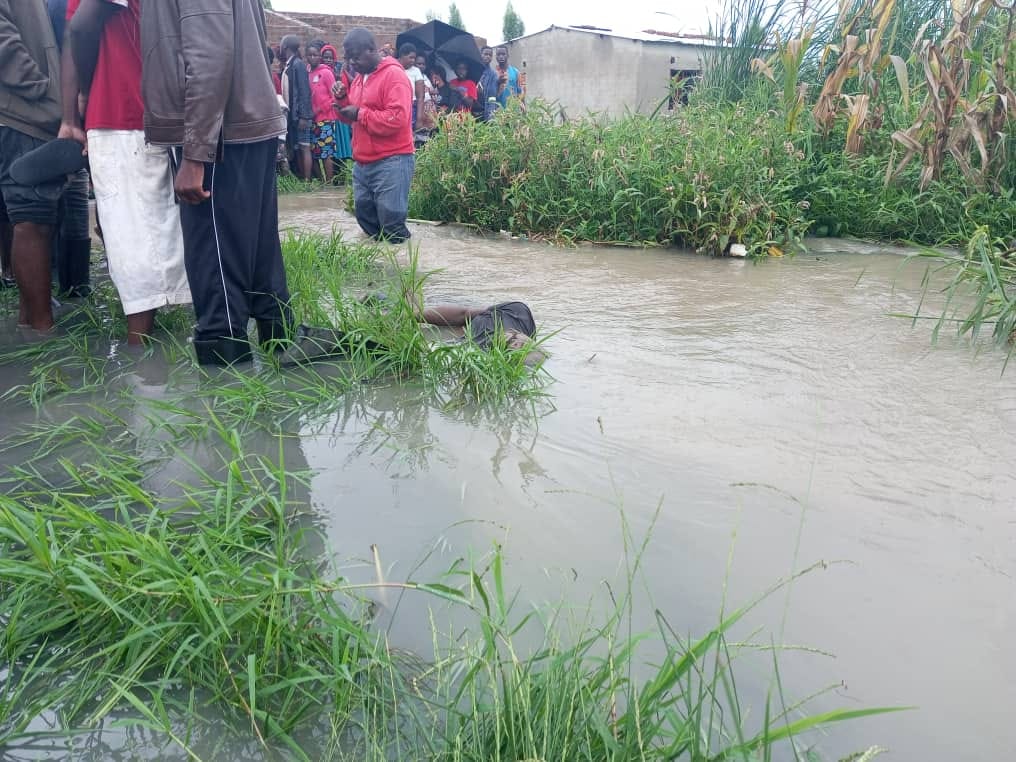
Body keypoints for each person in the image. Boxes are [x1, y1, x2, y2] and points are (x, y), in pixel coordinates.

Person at [141, 0, 323, 366]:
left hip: (219, 132)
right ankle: (280, 344)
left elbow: (208, 54)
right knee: (258, 249)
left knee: (214, 259)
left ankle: (222, 379)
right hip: (242, 122)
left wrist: (195, 152)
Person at [62, 0, 191, 346]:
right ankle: (156, 341)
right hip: (148, 109)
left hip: (123, 108)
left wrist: (80, 100)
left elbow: (79, 27)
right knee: (151, 227)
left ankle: (140, 348)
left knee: (132, 232)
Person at [0, 0, 63, 332]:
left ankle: (29, 322)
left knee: (30, 220)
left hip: (22, 112)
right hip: (21, 114)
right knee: (32, 221)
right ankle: (42, 331)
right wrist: (45, 91)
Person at [332, 28, 414, 244]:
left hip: (392, 160)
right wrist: (342, 101)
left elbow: (397, 119)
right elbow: (350, 118)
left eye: (355, 57)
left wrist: (360, 113)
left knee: (392, 223)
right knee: (365, 217)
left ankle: (404, 270)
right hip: (364, 163)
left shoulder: (394, 76)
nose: (351, 62)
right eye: (348, 57)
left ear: (371, 50)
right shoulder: (360, 79)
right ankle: (378, 267)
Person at [48, 0, 91, 298]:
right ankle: (69, 285)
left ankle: (77, 285)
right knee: (51, 202)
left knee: (74, 196)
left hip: (76, 111)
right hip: (58, 108)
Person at [279, 34, 312, 180]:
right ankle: (302, 178)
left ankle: (307, 180)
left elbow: (304, 91)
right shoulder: (289, 64)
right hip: (293, 114)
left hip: (300, 115)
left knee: (304, 147)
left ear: (285, 46)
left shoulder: (298, 64)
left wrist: (304, 116)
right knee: (297, 147)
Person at [305, 40, 337, 183]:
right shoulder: (307, 72)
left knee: (326, 154)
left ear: (320, 57)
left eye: (316, 55)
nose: (313, 58)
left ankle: (329, 183)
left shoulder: (326, 73)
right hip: (311, 120)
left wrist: (318, 109)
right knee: (313, 153)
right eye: (310, 55)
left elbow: (334, 97)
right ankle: (321, 181)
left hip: (325, 119)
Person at [398, 42, 426, 131]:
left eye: (414, 58)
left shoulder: (416, 71)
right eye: (411, 57)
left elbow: (420, 97)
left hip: (411, 110)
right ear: (402, 56)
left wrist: (419, 119)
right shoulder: (393, 67)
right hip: (395, 108)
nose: (413, 61)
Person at [475, 45, 499, 121]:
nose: (488, 56)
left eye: (490, 55)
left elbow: (492, 96)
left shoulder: (493, 74)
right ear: (481, 55)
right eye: (485, 54)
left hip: (485, 110)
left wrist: (490, 116)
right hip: (472, 109)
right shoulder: (474, 71)